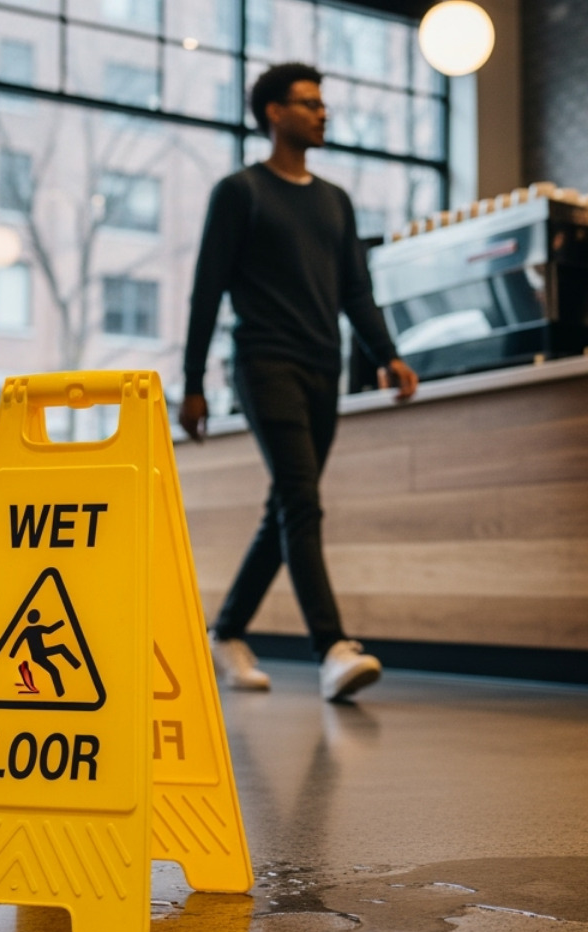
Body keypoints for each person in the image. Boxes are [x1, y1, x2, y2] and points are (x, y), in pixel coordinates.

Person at [179, 62, 418, 703]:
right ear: (273, 113)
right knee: (302, 501)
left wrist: (387, 354)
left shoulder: (334, 200)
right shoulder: (240, 192)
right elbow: (207, 289)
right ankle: (332, 648)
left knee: (289, 503)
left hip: (324, 367)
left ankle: (225, 632)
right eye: (308, 103)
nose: (322, 113)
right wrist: (193, 382)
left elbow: (355, 292)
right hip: (264, 363)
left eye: (322, 103)